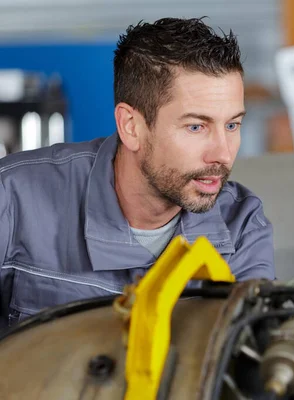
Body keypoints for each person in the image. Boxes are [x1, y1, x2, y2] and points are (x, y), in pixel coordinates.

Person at [0, 17, 275, 330]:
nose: (223, 155)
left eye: (232, 125)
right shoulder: (13, 198)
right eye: (196, 127)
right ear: (131, 127)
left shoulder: (241, 227)